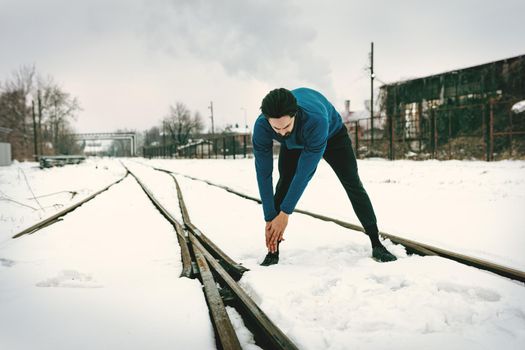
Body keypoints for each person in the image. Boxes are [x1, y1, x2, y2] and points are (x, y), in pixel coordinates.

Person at [252, 87, 397, 266]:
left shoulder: (316, 120)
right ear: (267, 121)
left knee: (352, 182)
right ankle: (273, 252)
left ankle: (376, 243)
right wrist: (269, 217)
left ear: (295, 114)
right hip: (294, 144)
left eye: (286, 126)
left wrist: (285, 212)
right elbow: (263, 173)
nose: (282, 133)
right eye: (276, 128)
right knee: (284, 183)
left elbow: (304, 174)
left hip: (333, 136)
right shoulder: (261, 127)